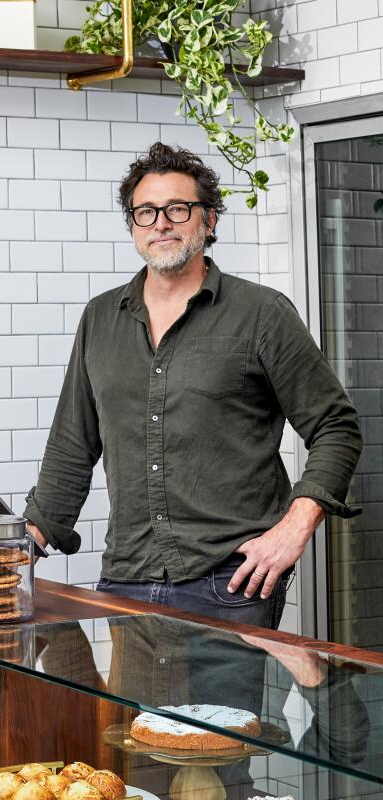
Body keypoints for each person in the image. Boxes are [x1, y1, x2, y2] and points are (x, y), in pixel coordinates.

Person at [22, 142, 362, 630]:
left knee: (231, 711)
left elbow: (336, 425)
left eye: (177, 209)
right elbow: (73, 446)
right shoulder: (100, 318)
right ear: (133, 226)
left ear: (210, 220)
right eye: (145, 212)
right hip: (127, 577)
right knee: (133, 711)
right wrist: (21, 547)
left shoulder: (261, 314)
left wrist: (295, 526)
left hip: (232, 580)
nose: (161, 222)